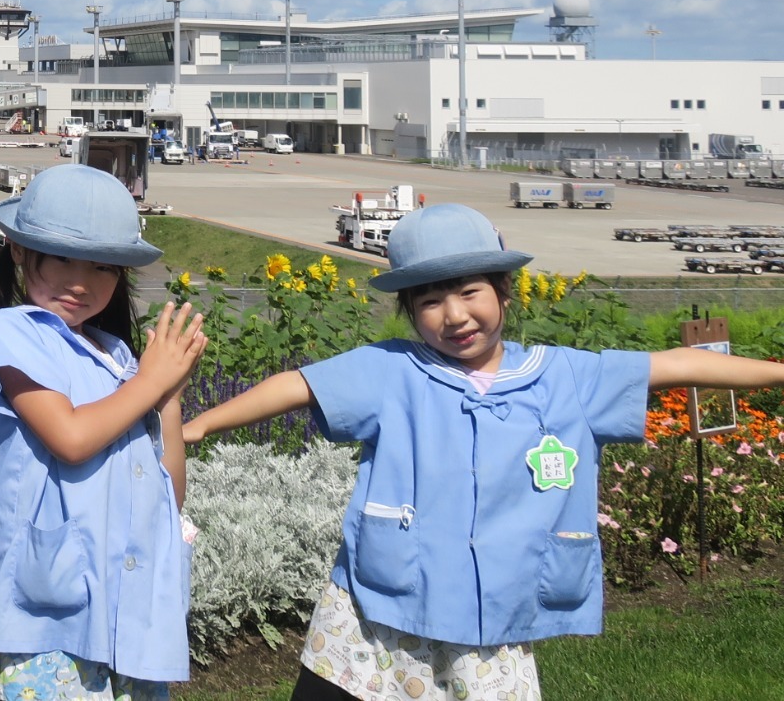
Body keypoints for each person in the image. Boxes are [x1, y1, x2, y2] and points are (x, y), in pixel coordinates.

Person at [184, 202, 784, 701]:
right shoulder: (392, 372)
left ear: (502, 290)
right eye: (429, 302)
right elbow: (297, 384)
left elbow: (677, 364)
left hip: (493, 616)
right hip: (380, 613)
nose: (455, 315)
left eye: (471, 291)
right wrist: (202, 425)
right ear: (410, 312)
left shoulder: (567, 376)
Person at [0, 164, 206, 701]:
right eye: (61, 257)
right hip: (46, 625)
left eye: (103, 266)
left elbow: (167, 494)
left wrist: (169, 401)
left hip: (125, 619)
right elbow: (72, 438)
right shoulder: (11, 330)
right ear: (18, 251)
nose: (81, 281)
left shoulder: (118, 356)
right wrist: (151, 382)